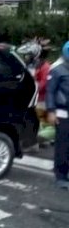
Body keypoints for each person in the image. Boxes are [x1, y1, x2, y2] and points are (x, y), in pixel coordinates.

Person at [45, 40, 69, 189]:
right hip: (62, 113)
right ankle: (60, 175)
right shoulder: (57, 70)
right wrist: (51, 111)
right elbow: (50, 92)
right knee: (63, 145)